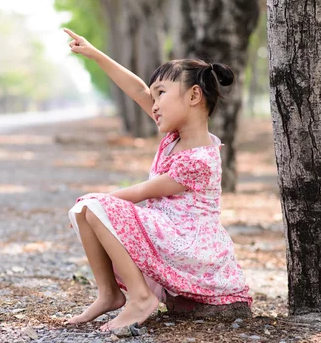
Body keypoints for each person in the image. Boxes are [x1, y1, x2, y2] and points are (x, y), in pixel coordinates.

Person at [63, 28, 252, 331]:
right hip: (169, 234)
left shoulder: (200, 159)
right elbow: (137, 89)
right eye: (153, 97)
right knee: (86, 209)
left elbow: (142, 191)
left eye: (161, 93)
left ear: (193, 96)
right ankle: (109, 294)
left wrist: (95, 202)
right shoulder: (176, 137)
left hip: (191, 247)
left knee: (95, 207)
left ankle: (140, 298)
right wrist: (96, 54)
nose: (152, 104)